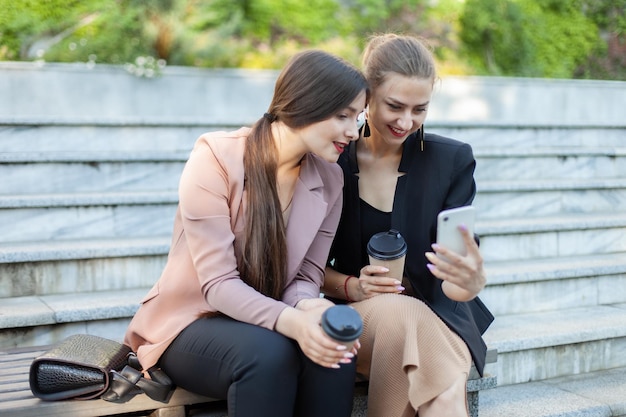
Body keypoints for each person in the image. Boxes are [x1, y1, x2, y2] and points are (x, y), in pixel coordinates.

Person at [124, 50, 368, 417]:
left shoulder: (330, 178)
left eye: (358, 117)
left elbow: (305, 276)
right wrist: (293, 321)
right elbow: (218, 283)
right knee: (269, 353)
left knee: (334, 350)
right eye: (343, 116)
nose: (354, 131)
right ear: (305, 103)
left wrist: (312, 307)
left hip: (265, 319)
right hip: (189, 321)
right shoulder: (216, 157)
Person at [323, 34, 494, 417]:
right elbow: (303, 265)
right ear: (366, 95)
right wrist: (352, 285)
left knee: (438, 380)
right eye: (395, 106)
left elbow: (452, 275)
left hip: (440, 311)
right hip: (360, 312)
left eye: (420, 109)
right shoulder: (332, 159)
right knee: (426, 357)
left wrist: (469, 281)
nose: (406, 122)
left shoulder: (452, 159)